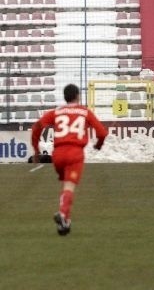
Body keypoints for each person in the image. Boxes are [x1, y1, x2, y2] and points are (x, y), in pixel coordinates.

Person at [30, 84, 108, 236]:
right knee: (69, 187)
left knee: (65, 185)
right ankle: (63, 214)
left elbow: (36, 127)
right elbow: (102, 133)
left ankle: (64, 224)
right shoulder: (85, 112)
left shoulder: (56, 112)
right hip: (74, 153)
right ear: (78, 96)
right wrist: (98, 145)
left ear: (65, 97)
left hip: (58, 155)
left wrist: (36, 151)